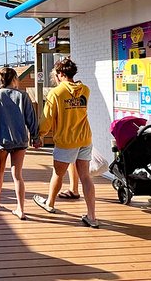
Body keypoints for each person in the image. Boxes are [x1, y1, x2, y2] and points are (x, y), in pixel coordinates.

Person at [34, 58, 98, 228]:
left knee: (57, 174)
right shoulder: (85, 90)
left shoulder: (56, 93)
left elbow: (46, 119)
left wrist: (39, 135)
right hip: (85, 138)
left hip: (66, 141)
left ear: (60, 74)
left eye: (56, 74)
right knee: (85, 176)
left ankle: (50, 204)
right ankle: (92, 216)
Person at [0, 67, 39, 221]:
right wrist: (35, 136)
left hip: (1, 140)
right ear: (14, 78)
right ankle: (21, 210)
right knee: (17, 175)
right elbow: (31, 118)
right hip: (20, 140)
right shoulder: (23, 96)